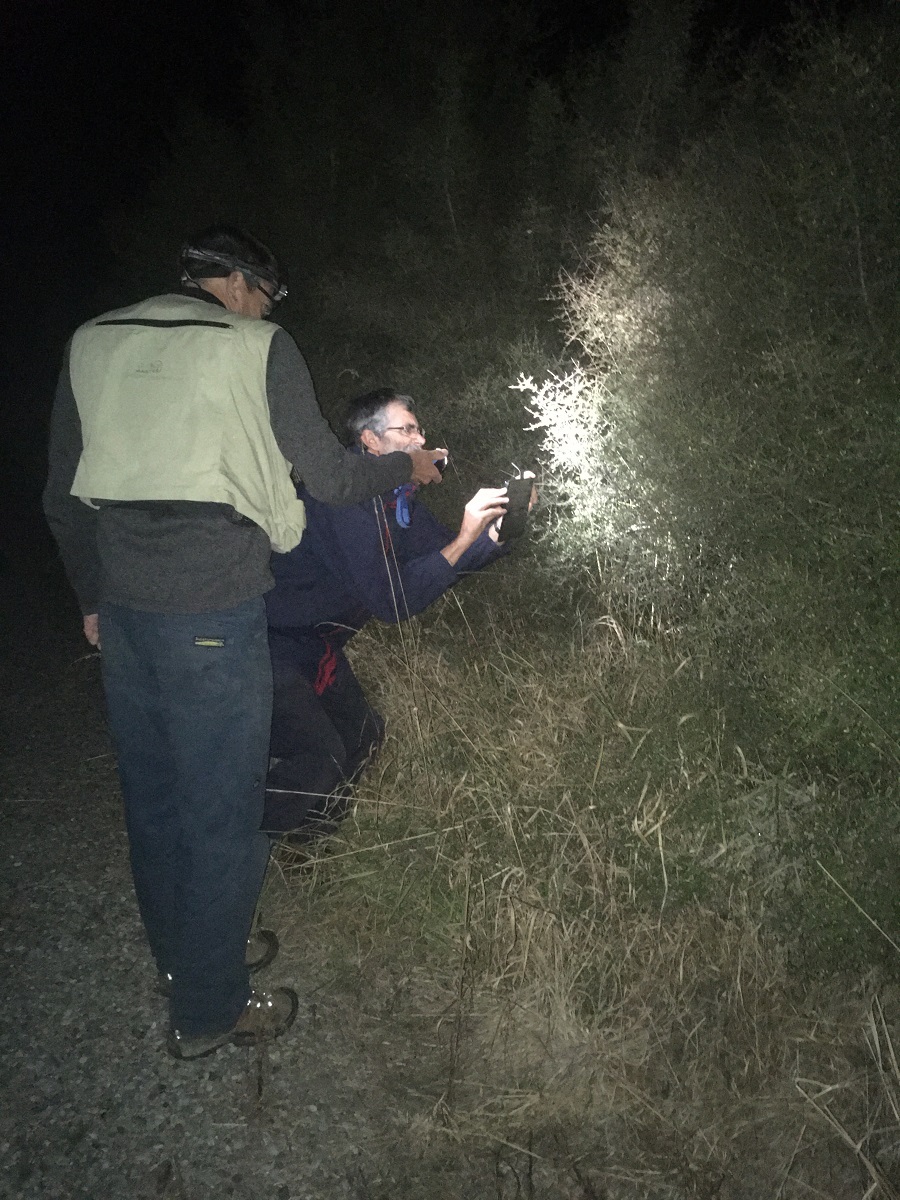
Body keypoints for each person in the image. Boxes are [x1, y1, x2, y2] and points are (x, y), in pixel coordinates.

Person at [42, 228, 447, 1060]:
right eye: (265, 295)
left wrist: (91, 598)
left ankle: (187, 961)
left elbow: (61, 496)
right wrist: (405, 471)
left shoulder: (93, 341)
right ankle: (211, 1010)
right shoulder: (258, 345)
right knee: (224, 812)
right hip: (214, 605)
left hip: (124, 608)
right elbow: (333, 478)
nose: (265, 309)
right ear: (237, 284)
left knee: (154, 805)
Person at [263, 387, 523, 838]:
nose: (420, 440)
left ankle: (304, 848)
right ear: (370, 442)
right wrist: (463, 538)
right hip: (268, 645)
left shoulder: (395, 504)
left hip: (314, 644)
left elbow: (443, 561)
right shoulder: (341, 504)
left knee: (362, 735)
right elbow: (392, 601)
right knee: (320, 756)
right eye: (406, 430)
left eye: (420, 430)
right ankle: (232, 839)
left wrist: (495, 533)